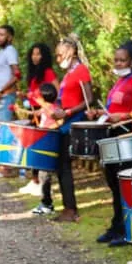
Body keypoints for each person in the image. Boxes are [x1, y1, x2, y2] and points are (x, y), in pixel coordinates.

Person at [90, 40, 132, 246]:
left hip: (127, 139)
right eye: (116, 60)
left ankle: (127, 230)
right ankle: (116, 226)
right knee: (114, 186)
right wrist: (99, 113)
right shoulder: (118, 83)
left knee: (124, 187)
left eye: (123, 60)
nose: (119, 63)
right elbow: (111, 110)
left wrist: (126, 115)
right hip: (112, 137)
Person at [49, 34, 93, 222]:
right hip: (63, 122)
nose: (58, 59)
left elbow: (88, 99)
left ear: (72, 52)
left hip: (73, 123)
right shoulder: (69, 74)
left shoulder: (81, 70)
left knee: (64, 166)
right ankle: (68, 206)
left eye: (60, 55)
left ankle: (70, 209)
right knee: (60, 166)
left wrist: (66, 113)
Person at [18, 42, 58, 197]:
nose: (35, 57)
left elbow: (55, 90)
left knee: (38, 147)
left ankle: (41, 183)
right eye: (33, 54)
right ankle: (34, 179)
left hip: (44, 113)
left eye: (38, 54)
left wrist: (47, 108)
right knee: (31, 146)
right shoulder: (33, 73)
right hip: (33, 110)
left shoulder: (48, 72)